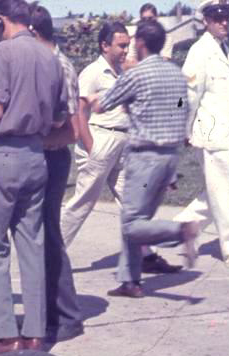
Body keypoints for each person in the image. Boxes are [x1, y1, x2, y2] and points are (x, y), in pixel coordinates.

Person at [0, 0, 67, 356]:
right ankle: (36, 335)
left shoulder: (3, 52)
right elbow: (58, 118)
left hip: (0, 154)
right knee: (32, 245)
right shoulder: (49, 57)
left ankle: (5, 339)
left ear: (0, 21)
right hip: (35, 155)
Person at [60, 21, 181, 276]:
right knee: (82, 204)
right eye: (121, 45)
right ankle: (51, 254)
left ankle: (145, 255)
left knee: (133, 204)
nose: (126, 50)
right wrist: (92, 147)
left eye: (128, 45)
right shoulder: (93, 73)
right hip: (101, 142)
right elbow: (79, 111)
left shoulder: (121, 71)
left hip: (123, 145)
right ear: (105, 45)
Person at [89, 19, 199, 299]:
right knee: (136, 217)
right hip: (170, 157)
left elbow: (104, 105)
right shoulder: (176, 74)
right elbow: (181, 111)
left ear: (140, 43)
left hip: (144, 157)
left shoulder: (137, 74)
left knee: (132, 224)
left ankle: (181, 231)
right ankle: (131, 280)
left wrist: (90, 98)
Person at [173, 0, 229, 265]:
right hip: (211, 135)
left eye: (226, 17)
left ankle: (179, 229)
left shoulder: (225, 51)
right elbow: (188, 95)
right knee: (221, 191)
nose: (224, 22)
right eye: (217, 18)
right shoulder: (200, 52)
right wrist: (184, 130)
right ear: (205, 21)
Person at [31, 4, 84, 343]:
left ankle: (67, 314)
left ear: (35, 34)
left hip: (51, 157)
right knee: (41, 236)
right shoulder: (49, 63)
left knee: (48, 235)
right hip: (45, 155)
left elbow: (68, 126)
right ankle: (53, 312)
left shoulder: (57, 67)